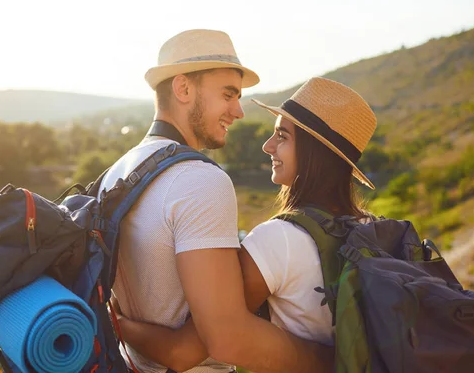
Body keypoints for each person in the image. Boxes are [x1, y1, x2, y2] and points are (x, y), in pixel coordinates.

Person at [99, 30, 333, 373]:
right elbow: (227, 339)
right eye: (228, 95)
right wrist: (333, 360)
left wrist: (119, 326)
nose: (238, 111)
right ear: (183, 89)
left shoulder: (117, 172)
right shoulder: (199, 180)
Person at [115, 77, 377, 371]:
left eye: (282, 136)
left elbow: (182, 352)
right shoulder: (375, 230)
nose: (268, 146)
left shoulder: (279, 241)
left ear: (315, 152)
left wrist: (117, 321)